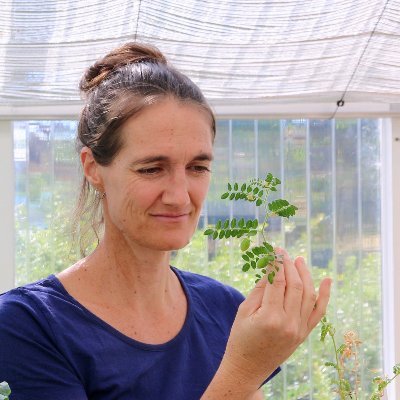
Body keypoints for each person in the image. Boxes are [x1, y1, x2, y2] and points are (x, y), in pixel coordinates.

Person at [0, 42, 331, 400]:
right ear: (93, 168)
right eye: (152, 168)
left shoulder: (224, 309)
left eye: (197, 167)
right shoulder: (26, 325)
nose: (179, 194)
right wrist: (242, 371)